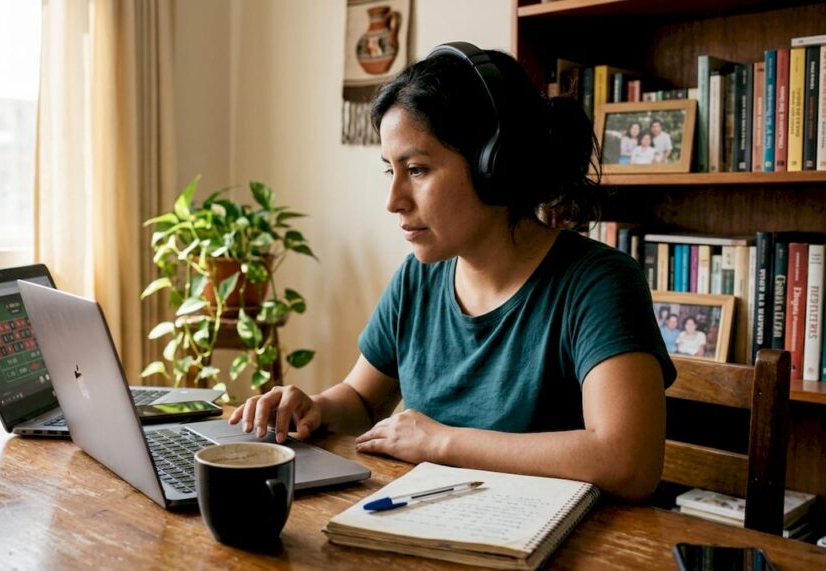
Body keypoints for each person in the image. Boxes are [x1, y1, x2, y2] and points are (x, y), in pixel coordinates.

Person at [230, 43, 675, 501]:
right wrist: (314, 409)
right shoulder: (417, 280)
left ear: (495, 165)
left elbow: (628, 462)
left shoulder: (597, 284)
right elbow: (363, 401)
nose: (394, 200)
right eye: (391, 171)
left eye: (417, 169)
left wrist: (441, 441)